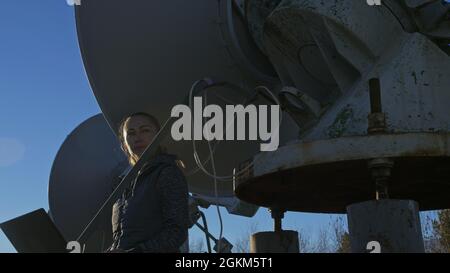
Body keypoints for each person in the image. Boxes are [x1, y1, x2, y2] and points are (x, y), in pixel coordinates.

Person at [107, 112, 189, 253]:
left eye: (145, 130)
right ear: (124, 143)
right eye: (131, 133)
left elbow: (176, 232)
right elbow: (123, 238)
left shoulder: (167, 172)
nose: (138, 138)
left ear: (158, 135)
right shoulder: (123, 185)